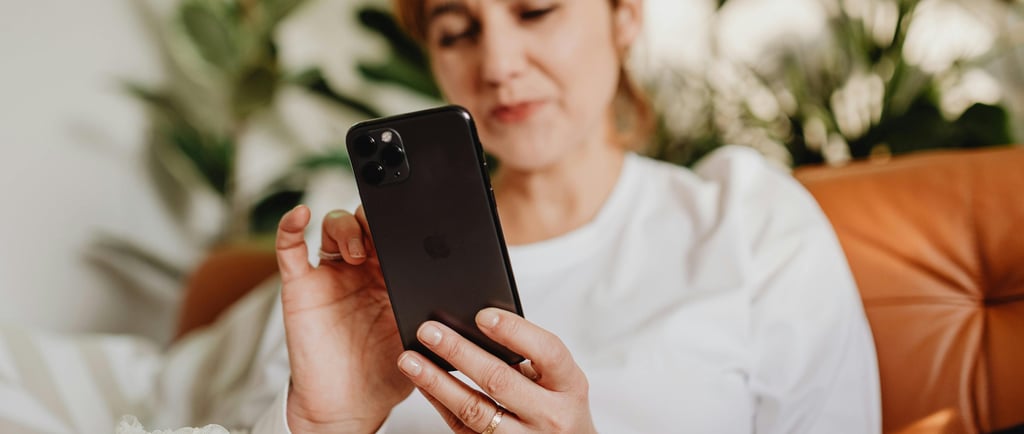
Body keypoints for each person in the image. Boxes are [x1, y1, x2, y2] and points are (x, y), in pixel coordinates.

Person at [0, 0, 879, 432]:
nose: (498, 62)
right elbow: (144, 399)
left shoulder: (744, 221)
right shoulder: (363, 272)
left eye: (536, 8)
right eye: (458, 30)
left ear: (623, 16)